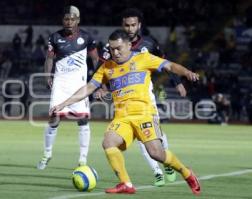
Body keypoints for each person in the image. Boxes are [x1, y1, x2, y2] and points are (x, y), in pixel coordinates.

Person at [51, 30, 201, 195]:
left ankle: (187, 173)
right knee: (108, 142)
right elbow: (88, 87)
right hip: (122, 117)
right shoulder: (107, 67)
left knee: (156, 153)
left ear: (129, 45)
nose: (115, 52)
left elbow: (170, 65)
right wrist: (63, 104)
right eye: (112, 49)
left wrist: (187, 73)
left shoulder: (143, 58)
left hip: (144, 113)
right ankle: (126, 183)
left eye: (119, 48)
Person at [96, 8, 186, 186]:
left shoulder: (149, 44)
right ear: (123, 25)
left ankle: (165, 159)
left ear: (139, 25)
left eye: (133, 25)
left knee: (154, 135)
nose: (130, 29)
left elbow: (165, 63)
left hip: (145, 93)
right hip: (123, 95)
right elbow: (103, 70)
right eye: (126, 25)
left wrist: (178, 82)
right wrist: (102, 87)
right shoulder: (113, 47)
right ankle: (156, 171)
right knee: (139, 137)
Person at [37, 5, 99, 169]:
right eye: (66, 19)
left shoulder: (86, 38)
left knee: (83, 119)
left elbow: (95, 59)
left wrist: (98, 80)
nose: (69, 22)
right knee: (54, 119)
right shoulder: (55, 37)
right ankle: (47, 154)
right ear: (62, 20)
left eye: (72, 19)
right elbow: (49, 59)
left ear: (77, 20)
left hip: (79, 85)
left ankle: (82, 159)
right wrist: (47, 75)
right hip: (60, 85)